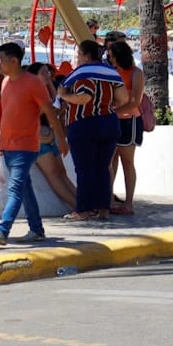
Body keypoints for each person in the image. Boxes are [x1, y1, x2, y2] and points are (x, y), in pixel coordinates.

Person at [0, 43, 68, 245]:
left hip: (26, 144)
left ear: (14, 60)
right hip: (9, 144)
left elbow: (49, 111)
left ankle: (3, 230)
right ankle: (36, 229)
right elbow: (7, 114)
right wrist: (1, 140)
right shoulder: (4, 83)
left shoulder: (33, 83)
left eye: (1, 59)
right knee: (25, 188)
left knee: (16, 188)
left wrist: (61, 139)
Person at [58, 40, 128, 221]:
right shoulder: (110, 72)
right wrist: (107, 104)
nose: (77, 58)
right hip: (109, 123)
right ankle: (104, 209)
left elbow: (84, 98)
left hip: (84, 124)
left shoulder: (82, 73)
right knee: (103, 168)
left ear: (86, 55)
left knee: (84, 170)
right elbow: (123, 98)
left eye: (79, 55)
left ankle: (83, 210)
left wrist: (64, 95)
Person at [26, 62, 76, 210]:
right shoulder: (32, 92)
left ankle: (82, 204)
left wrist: (53, 92)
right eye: (43, 73)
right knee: (54, 174)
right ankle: (77, 205)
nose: (47, 75)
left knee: (61, 173)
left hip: (47, 134)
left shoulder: (47, 90)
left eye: (48, 72)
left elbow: (54, 109)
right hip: (37, 137)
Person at [108, 41, 144, 215]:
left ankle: (128, 203)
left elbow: (135, 101)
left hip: (130, 121)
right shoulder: (113, 72)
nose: (110, 59)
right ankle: (109, 200)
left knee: (127, 162)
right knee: (110, 161)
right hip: (115, 119)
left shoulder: (136, 73)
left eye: (112, 56)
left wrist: (114, 112)